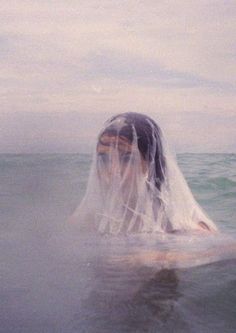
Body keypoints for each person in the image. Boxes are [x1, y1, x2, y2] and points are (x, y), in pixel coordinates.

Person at [71, 112, 217, 234]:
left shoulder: (181, 227)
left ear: (150, 164)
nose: (113, 171)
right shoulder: (87, 222)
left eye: (126, 158)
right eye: (104, 158)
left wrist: (167, 257)